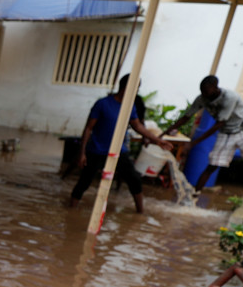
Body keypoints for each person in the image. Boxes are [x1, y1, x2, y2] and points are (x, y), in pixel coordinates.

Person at [68, 74, 172, 214]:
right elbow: (88, 128)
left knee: (134, 179)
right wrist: (82, 153)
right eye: (135, 88)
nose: (136, 91)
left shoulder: (130, 106)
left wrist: (158, 140)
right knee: (84, 182)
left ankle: (140, 213)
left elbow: (138, 126)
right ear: (125, 87)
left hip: (118, 151)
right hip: (97, 150)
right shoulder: (103, 104)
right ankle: (70, 211)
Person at [164, 75, 243, 193]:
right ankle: (195, 195)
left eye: (206, 91)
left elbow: (219, 123)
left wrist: (193, 143)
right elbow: (186, 117)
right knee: (212, 165)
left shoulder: (229, 97)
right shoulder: (202, 99)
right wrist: (166, 132)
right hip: (226, 133)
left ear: (215, 87)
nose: (204, 94)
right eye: (202, 91)